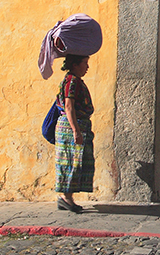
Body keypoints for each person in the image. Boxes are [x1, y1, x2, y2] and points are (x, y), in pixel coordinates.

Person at [55, 54, 94, 213]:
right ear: (76, 64)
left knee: (75, 162)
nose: (87, 66)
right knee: (70, 162)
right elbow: (69, 107)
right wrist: (76, 130)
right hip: (72, 127)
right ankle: (66, 198)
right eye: (85, 63)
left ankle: (68, 197)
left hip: (77, 125)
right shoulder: (71, 82)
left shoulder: (73, 81)